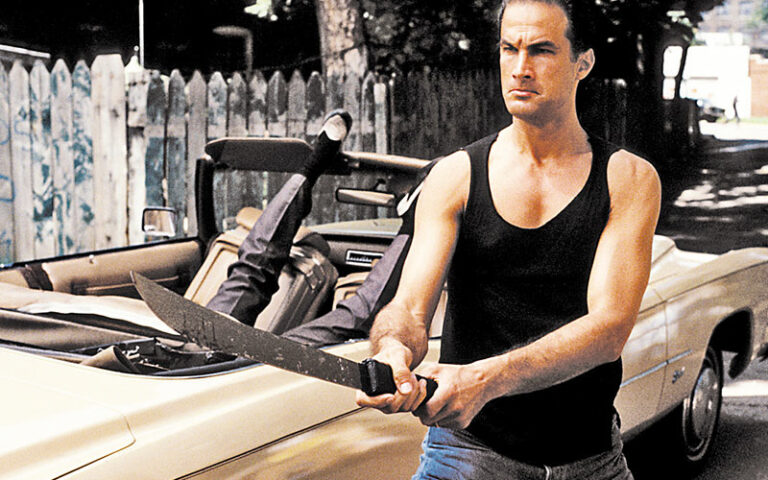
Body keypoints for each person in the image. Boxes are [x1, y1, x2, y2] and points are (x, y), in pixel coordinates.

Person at [354, 1, 661, 479]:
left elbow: (609, 329)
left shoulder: (628, 179)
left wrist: (484, 379)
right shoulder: (455, 176)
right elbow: (410, 308)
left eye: (541, 50)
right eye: (509, 48)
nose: (520, 68)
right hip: (468, 456)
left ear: (583, 62)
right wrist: (393, 348)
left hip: (592, 459)